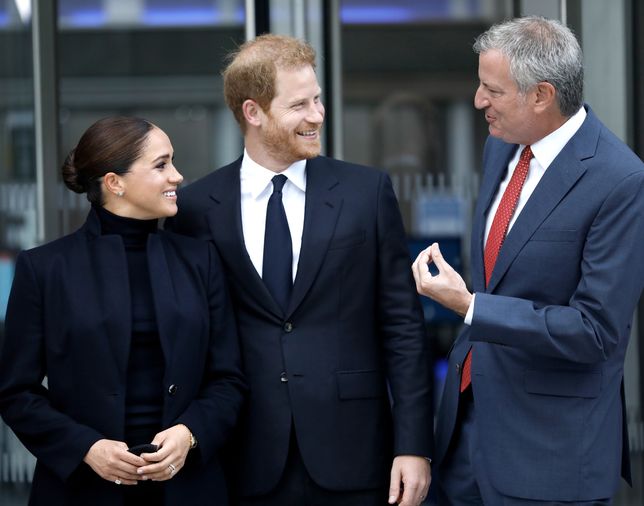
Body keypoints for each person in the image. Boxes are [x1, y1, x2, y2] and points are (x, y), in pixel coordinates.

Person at [166, 34, 433, 506]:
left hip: (354, 453)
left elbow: (403, 326)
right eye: (299, 105)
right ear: (253, 112)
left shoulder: (366, 192)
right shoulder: (194, 209)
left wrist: (414, 446)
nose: (317, 115)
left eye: (317, 99)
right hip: (241, 457)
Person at [412, 16, 644, 505]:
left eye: (491, 90)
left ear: (541, 95)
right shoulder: (503, 147)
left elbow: (595, 331)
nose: (478, 101)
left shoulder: (620, 180)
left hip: (550, 456)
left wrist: (471, 306)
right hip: (467, 438)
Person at [0, 116, 246, 506]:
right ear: (115, 183)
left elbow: (229, 379)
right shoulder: (45, 269)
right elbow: (15, 391)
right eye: (161, 165)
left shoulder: (201, 261)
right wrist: (86, 446)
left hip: (189, 488)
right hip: (81, 490)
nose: (178, 176)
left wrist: (190, 433)